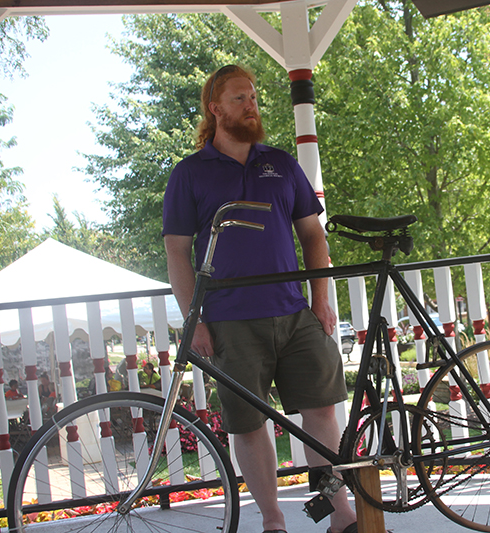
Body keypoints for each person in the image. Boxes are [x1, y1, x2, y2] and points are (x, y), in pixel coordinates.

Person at [163, 64, 356, 533]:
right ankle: (273, 520)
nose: (251, 105)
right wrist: (197, 321)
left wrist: (322, 297)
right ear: (215, 108)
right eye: (239, 98)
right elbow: (176, 252)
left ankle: (340, 514)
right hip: (230, 320)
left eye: (253, 97)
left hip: (294, 312)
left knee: (322, 410)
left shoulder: (282, 164)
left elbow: (313, 234)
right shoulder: (189, 174)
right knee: (249, 425)